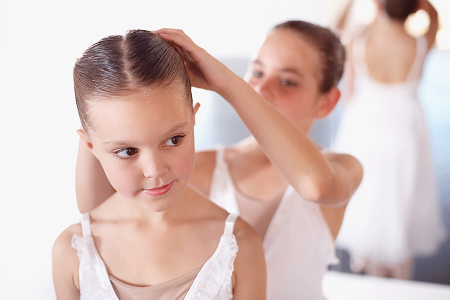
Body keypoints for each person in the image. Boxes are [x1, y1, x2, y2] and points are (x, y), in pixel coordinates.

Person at [76, 22, 363, 299]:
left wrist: (226, 83)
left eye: (288, 81)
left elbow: (315, 186)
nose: (261, 90)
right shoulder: (199, 166)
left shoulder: (342, 167)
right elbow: (98, 215)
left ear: (326, 102)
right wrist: (105, 102)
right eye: (257, 72)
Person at [52, 29, 266, 300]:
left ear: (193, 118)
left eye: (174, 139)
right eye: (128, 151)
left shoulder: (241, 246)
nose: (155, 170)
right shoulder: (72, 251)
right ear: (90, 146)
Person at [332, 0, 447, 279]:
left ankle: (368, 255)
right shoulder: (421, 42)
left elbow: (335, 27)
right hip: (405, 126)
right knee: (401, 188)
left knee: (367, 187)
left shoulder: (359, 38)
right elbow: (433, 15)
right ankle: (397, 264)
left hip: (365, 122)